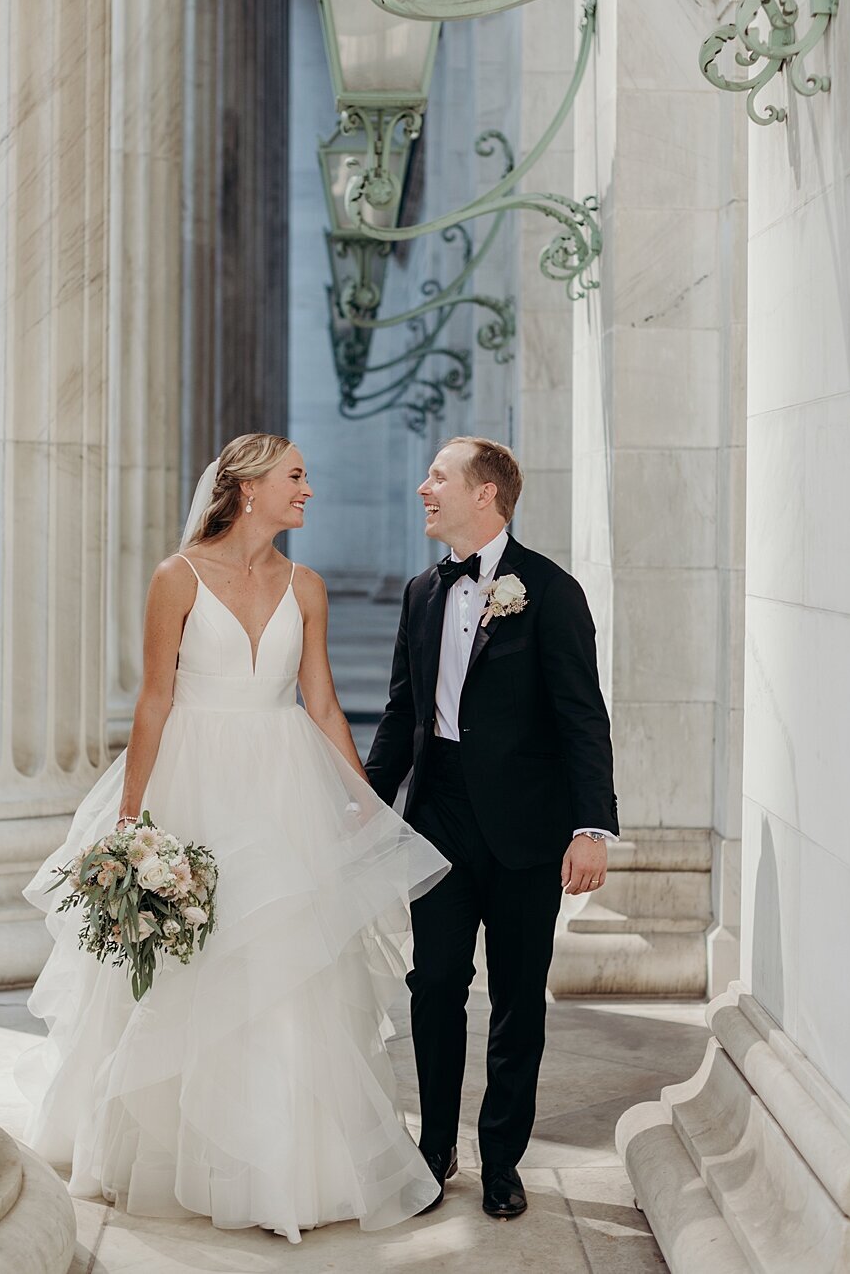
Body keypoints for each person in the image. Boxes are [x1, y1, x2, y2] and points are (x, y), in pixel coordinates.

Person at [19, 433, 449, 1244]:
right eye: (297, 476)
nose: (309, 490)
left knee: (285, 959)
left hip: (283, 783)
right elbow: (154, 700)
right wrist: (131, 820)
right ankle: (178, 1155)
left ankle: (287, 1166)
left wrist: (361, 799)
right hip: (196, 779)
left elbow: (321, 705)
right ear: (247, 486)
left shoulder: (308, 587)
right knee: (196, 961)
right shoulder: (175, 578)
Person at [365, 436, 618, 1220]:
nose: (422, 489)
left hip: (527, 832)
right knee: (435, 984)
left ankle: (502, 1159)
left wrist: (590, 828)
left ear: (486, 495)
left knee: (517, 1000)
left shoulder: (550, 590)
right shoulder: (421, 591)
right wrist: (364, 805)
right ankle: (434, 1149)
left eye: (437, 477)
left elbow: (583, 717)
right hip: (438, 820)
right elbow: (404, 709)